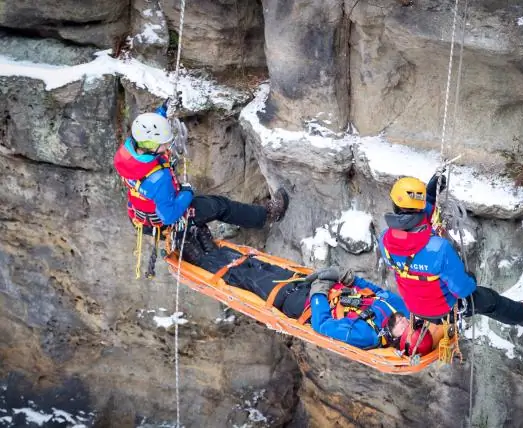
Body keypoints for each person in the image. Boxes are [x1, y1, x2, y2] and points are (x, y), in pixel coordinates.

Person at [181, 242, 435, 354]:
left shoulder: (365, 335)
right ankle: (211, 247)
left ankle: (198, 257)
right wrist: (347, 277)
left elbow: (322, 325)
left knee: (245, 278)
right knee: (260, 265)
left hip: (303, 302)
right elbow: (376, 291)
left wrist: (319, 292)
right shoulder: (399, 308)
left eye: (403, 330)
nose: (403, 322)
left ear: (395, 342)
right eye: (410, 323)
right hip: (327, 288)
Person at [379, 175, 523, 327]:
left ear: (394, 205)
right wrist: (470, 279)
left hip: (415, 307)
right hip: (445, 310)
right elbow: (462, 290)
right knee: (490, 300)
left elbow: (410, 223)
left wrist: (430, 196)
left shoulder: (385, 240)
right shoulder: (438, 248)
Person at [113, 101, 289, 251]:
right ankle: (266, 216)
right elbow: (170, 215)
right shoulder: (159, 178)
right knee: (220, 206)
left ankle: (194, 237)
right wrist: (187, 193)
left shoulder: (125, 154)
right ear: (151, 146)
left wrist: (163, 112)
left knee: (205, 208)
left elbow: (149, 130)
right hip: (165, 220)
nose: (167, 145)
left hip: (141, 216)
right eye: (163, 144)